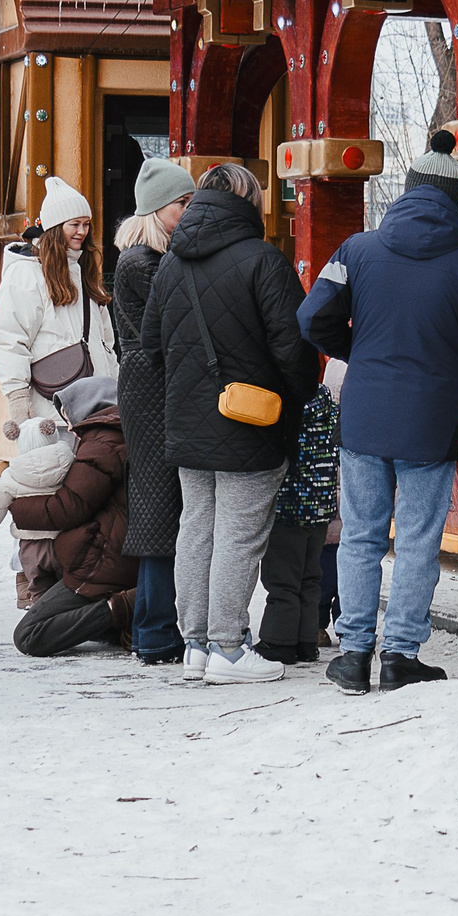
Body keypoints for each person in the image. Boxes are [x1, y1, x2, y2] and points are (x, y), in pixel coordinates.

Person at [298, 133, 458, 694]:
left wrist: (362, 352)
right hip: (431, 418)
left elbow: (312, 320)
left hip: (365, 414)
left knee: (360, 535)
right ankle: (400, 655)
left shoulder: (357, 250)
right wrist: (454, 370)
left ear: (406, 192)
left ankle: (353, 653)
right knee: (420, 540)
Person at [142, 162, 313, 685]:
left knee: (196, 530)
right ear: (250, 201)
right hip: (249, 422)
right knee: (239, 536)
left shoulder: (169, 265)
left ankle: (195, 644)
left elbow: (149, 348)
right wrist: (296, 398)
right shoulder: (264, 261)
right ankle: (229, 649)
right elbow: (296, 352)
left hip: (187, 426)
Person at [113, 159, 197, 665]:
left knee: (157, 507)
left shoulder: (143, 258)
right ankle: (155, 628)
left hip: (146, 388)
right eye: (181, 204)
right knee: (160, 508)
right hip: (151, 390)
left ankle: (153, 628)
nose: (189, 211)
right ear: (155, 209)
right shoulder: (144, 263)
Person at [5, 377, 138, 656]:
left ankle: (124, 605)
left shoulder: (103, 441)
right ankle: (132, 611)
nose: (70, 428)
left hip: (103, 564)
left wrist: (14, 506)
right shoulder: (125, 432)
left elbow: (69, 507)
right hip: (117, 554)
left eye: (68, 414)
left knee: (29, 636)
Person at [0, 176, 117, 446]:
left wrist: (117, 386)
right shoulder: (26, 274)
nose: (82, 231)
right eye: (74, 224)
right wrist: (17, 396)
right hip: (52, 412)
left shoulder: (84, 272)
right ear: (55, 227)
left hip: (96, 407)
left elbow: (106, 342)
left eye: (86, 224)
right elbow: (10, 339)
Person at [258, 369, 341, 662]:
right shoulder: (328, 405)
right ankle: (307, 642)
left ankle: (277, 642)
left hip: (288, 506)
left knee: (282, 578)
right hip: (320, 507)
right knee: (309, 577)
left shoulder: (283, 406)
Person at [0, 415, 74, 568]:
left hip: (29, 543)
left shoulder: (13, 476)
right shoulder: (72, 465)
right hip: (68, 540)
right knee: (66, 585)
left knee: (33, 584)